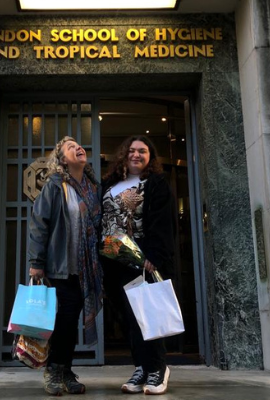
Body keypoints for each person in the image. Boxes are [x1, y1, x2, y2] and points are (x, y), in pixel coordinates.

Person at [27, 136, 103, 396]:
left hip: (86, 267)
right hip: (61, 264)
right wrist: (36, 262)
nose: (78, 147)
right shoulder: (55, 185)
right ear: (61, 160)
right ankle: (56, 369)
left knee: (69, 319)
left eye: (79, 145)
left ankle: (64, 369)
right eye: (71, 147)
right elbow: (39, 222)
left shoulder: (93, 187)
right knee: (68, 316)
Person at [101, 135, 176, 395]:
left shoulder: (156, 183)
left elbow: (162, 222)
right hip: (113, 260)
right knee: (129, 318)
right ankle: (141, 367)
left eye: (142, 151)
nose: (136, 155)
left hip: (143, 259)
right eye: (131, 150)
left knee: (149, 314)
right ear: (123, 154)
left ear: (150, 157)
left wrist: (153, 256)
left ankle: (158, 368)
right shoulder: (110, 183)